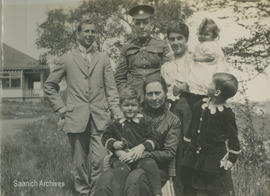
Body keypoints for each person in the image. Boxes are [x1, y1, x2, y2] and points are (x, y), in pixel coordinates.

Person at [44, 20, 122, 196]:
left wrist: (116, 110)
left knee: (101, 160)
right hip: (75, 117)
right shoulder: (66, 58)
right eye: (86, 31)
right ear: (77, 34)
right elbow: (49, 85)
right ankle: (82, 192)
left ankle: (97, 192)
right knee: (79, 162)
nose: (89, 34)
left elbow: (111, 87)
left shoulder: (102, 57)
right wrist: (61, 109)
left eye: (93, 31)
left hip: (100, 117)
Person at [94, 76, 181, 196]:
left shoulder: (172, 120)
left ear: (165, 93)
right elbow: (112, 136)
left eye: (158, 93)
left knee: (135, 179)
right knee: (105, 179)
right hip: (125, 161)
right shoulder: (132, 111)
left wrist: (141, 152)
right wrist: (118, 150)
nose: (154, 98)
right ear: (144, 95)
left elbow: (169, 153)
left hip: (154, 167)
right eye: (150, 94)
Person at [181, 72, 241, 196]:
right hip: (194, 157)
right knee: (192, 187)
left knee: (210, 190)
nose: (207, 85)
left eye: (211, 84)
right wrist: (186, 146)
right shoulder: (199, 105)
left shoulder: (226, 114)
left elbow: (233, 139)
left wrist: (231, 159)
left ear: (217, 92)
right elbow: (192, 128)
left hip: (213, 161)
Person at [101, 87, 162, 196]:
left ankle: (157, 192)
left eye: (133, 105)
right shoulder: (116, 122)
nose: (130, 108)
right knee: (120, 171)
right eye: (126, 105)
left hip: (140, 156)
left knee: (151, 164)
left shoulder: (145, 120)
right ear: (120, 106)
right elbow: (106, 136)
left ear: (139, 106)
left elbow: (153, 138)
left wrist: (143, 146)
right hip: (122, 157)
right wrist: (114, 144)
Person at [114, 4, 173, 101]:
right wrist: (127, 94)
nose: (141, 27)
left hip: (156, 96)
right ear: (134, 25)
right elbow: (119, 77)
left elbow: (169, 73)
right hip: (134, 98)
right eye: (138, 23)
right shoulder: (126, 47)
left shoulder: (162, 45)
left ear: (151, 24)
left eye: (145, 23)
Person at [188, 18, 230, 95]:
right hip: (204, 68)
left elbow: (211, 57)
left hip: (210, 68)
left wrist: (197, 59)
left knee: (205, 82)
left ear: (214, 35)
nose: (203, 36)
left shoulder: (209, 45)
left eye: (206, 34)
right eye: (201, 34)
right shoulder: (205, 44)